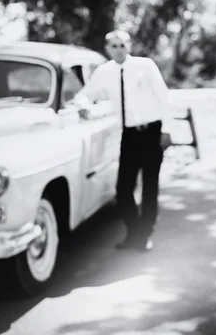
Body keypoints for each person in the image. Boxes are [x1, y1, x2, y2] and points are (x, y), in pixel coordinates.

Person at [72, 30, 172, 252]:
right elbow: (85, 95)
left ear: (129, 46)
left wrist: (166, 130)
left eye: (122, 45)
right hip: (128, 135)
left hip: (152, 131)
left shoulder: (145, 66)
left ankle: (145, 235)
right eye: (114, 46)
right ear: (107, 49)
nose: (118, 49)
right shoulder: (104, 72)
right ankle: (134, 231)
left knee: (149, 186)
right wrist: (83, 106)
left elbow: (163, 97)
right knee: (123, 188)